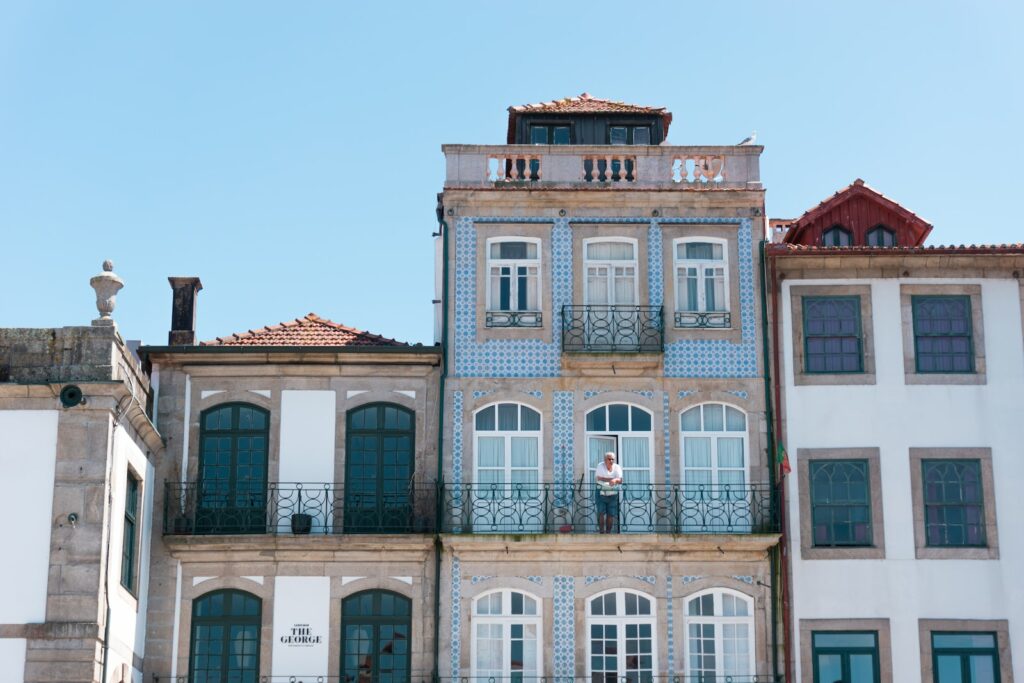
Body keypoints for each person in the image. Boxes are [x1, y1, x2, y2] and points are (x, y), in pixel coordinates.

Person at [594, 451, 623, 533]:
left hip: (613, 493)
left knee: (611, 514)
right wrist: (613, 479)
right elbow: (598, 478)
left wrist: (615, 480)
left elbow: (620, 480)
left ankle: (608, 533)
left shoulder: (617, 467)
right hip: (600, 492)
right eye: (609, 459)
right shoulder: (600, 465)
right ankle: (602, 532)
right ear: (605, 460)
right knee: (601, 513)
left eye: (612, 459)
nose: (611, 461)